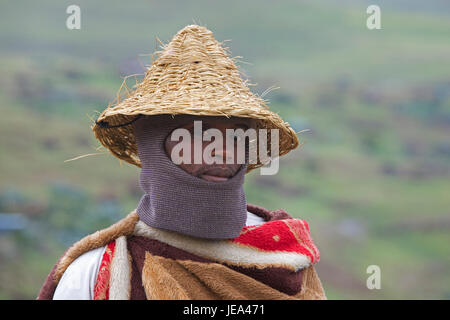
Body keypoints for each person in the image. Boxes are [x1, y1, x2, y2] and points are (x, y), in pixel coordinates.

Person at [37, 24, 326, 300]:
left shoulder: (288, 259)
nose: (223, 152)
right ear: (153, 147)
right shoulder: (95, 275)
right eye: (199, 136)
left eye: (236, 137)